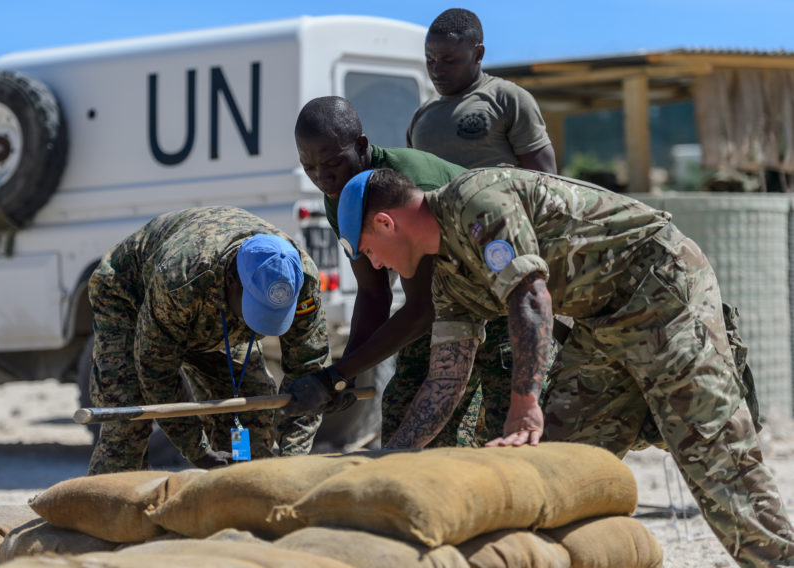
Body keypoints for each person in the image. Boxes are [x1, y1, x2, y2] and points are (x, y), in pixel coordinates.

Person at [333, 166, 792, 567]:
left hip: (659, 290)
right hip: (601, 323)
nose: (375, 264)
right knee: (558, 464)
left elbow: (531, 298)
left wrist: (524, 403)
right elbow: (446, 378)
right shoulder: (448, 277)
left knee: (714, 458)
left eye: (367, 250)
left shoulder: (476, 201)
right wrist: (389, 458)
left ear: (385, 222)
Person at [288, 96, 515, 447]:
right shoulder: (340, 195)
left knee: (499, 427)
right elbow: (374, 291)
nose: (323, 177)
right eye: (309, 168)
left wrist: (338, 374)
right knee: (401, 411)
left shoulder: (409, 183)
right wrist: (345, 375)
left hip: (498, 299)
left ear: (362, 146)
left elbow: (420, 310)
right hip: (446, 303)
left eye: (332, 162)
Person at [86, 206, 331, 475]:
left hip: (209, 314)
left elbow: (309, 374)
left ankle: (239, 497)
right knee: (128, 419)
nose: (259, 325)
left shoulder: (300, 277)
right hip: (129, 296)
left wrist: (291, 462)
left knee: (252, 408)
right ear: (231, 281)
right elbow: (156, 374)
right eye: (257, 311)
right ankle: (106, 509)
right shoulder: (182, 279)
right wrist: (200, 452)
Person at [407, 8, 557, 174]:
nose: (437, 70)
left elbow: (547, 181)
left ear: (478, 54)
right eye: (430, 60)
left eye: (449, 61)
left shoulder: (507, 99)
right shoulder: (421, 116)